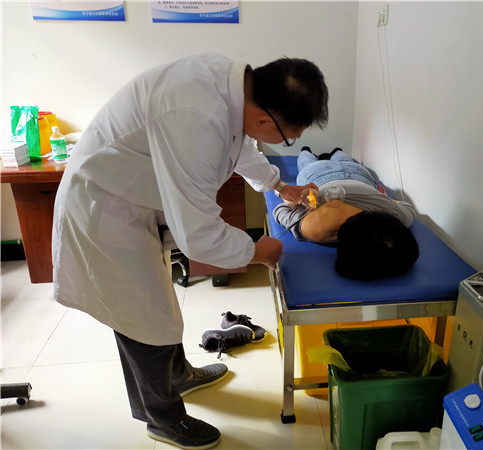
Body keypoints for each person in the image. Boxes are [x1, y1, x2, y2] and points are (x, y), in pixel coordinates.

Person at [51, 53, 328, 450]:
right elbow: (199, 234)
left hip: (133, 199)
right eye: (289, 137)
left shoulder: (233, 89)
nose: (288, 143)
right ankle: (161, 418)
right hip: (104, 207)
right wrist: (256, 251)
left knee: (158, 307)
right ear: (267, 120)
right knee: (142, 319)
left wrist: (279, 185)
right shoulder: (197, 115)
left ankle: (179, 375)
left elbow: (239, 146)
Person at [272, 147, 419, 279]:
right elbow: (281, 211)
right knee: (307, 163)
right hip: (317, 177)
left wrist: (386, 199)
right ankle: (313, 152)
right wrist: (292, 201)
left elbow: (407, 207)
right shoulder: (317, 226)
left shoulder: (396, 214)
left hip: (358, 174)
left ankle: (319, 151)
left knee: (336, 160)